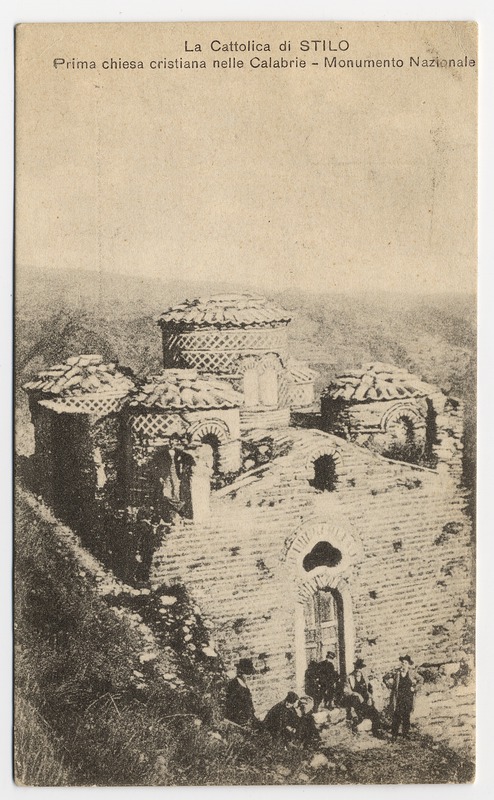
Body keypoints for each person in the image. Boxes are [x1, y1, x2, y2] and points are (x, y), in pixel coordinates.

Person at [343, 658, 380, 736]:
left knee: (375, 713)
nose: (358, 671)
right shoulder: (350, 677)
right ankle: (356, 729)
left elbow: (369, 690)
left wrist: (370, 698)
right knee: (358, 714)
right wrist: (357, 694)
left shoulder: (365, 677)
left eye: (359, 669)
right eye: (356, 668)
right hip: (355, 701)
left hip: (365, 700)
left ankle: (376, 732)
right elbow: (346, 691)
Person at [384, 655, 417, 741]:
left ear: (409, 664)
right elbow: (385, 678)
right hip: (398, 697)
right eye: (402, 663)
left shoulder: (412, 673)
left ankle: (405, 734)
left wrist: (415, 688)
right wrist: (391, 686)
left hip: (408, 697)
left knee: (406, 715)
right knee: (396, 715)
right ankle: (394, 734)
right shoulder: (397, 673)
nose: (404, 664)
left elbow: (421, 680)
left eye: (406, 663)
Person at [224, 658, 260, 729]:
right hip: (238, 720)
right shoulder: (234, 685)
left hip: (247, 717)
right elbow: (232, 705)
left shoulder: (243, 684)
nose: (249, 677)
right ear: (242, 673)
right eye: (248, 674)